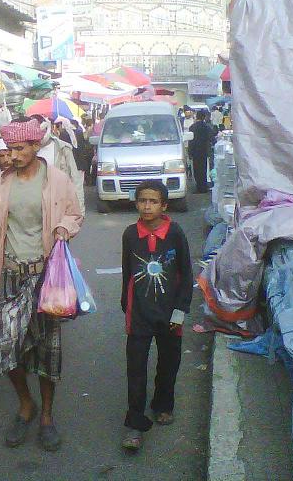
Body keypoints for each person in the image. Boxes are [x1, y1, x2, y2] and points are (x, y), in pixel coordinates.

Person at [0, 119, 83, 452]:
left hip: (45, 277)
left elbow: (75, 213)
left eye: (20, 149)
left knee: (47, 350)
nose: (14, 155)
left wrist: (65, 227)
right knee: (6, 348)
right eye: (9, 150)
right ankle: (26, 403)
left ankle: (47, 415)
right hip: (8, 274)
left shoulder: (57, 180)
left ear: (36, 147)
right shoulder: (0, 183)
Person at [120, 181, 192, 451]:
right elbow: (127, 274)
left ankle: (163, 404)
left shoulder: (175, 233)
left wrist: (180, 309)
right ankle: (135, 424)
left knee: (168, 363)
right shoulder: (130, 235)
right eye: (142, 201)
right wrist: (126, 307)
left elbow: (185, 274)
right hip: (139, 314)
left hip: (170, 314)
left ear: (164, 205)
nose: (146, 206)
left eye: (153, 201)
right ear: (136, 203)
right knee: (136, 369)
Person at [27, 115, 85, 215]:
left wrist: (80, 211)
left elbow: (75, 180)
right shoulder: (26, 150)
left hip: (58, 205)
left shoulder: (63, 148)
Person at [188, 111, 214, 193]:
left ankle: (199, 187)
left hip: (195, 151)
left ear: (196, 117)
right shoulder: (207, 127)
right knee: (203, 169)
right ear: (204, 117)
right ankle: (204, 187)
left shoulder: (192, 127)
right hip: (204, 151)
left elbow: (190, 141)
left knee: (196, 170)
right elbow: (211, 138)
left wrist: (190, 152)